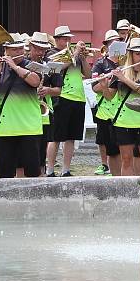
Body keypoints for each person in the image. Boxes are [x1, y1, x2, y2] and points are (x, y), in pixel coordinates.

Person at [102, 37, 140, 176]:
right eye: (138, 53)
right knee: (126, 160)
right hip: (124, 122)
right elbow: (110, 96)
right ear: (130, 54)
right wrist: (104, 86)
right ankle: (128, 191)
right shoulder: (121, 71)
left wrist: (124, 79)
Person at [0, 33, 43, 178]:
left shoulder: (32, 65)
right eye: (14, 49)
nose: (19, 52)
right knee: (5, 174)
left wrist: (14, 67)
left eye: (21, 49)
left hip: (29, 128)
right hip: (5, 128)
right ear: (6, 50)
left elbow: (35, 81)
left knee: (32, 174)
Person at [46, 25, 92, 177]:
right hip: (62, 97)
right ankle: (50, 169)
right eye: (65, 39)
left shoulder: (74, 54)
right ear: (57, 40)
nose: (68, 41)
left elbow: (88, 74)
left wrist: (83, 57)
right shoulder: (52, 53)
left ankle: (66, 169)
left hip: (78, 97)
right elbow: (57, 68)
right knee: (56, 137)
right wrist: (76, 53)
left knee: (71, 136)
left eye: (69, 39)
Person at [27, 31, 61, 176]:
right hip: (24, 110)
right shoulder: (23, 63)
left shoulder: (51, 65)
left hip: (43, 112)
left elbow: (59, 90)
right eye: (37, 48)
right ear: (30, 46)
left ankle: (42, 176)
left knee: (41, 149)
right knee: (27, 149)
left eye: (43, 49)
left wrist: (48, 90)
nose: (40, 52)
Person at [90, 30, 123, 176]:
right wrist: (105, 84)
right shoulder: (100, 64)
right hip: (106, 112)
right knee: (111, 147)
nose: (115, 45)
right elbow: (94, 87)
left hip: (124, 110)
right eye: (112, 42)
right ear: (107, 45)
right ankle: (109, 169)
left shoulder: (127, 61)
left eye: (118, 42)